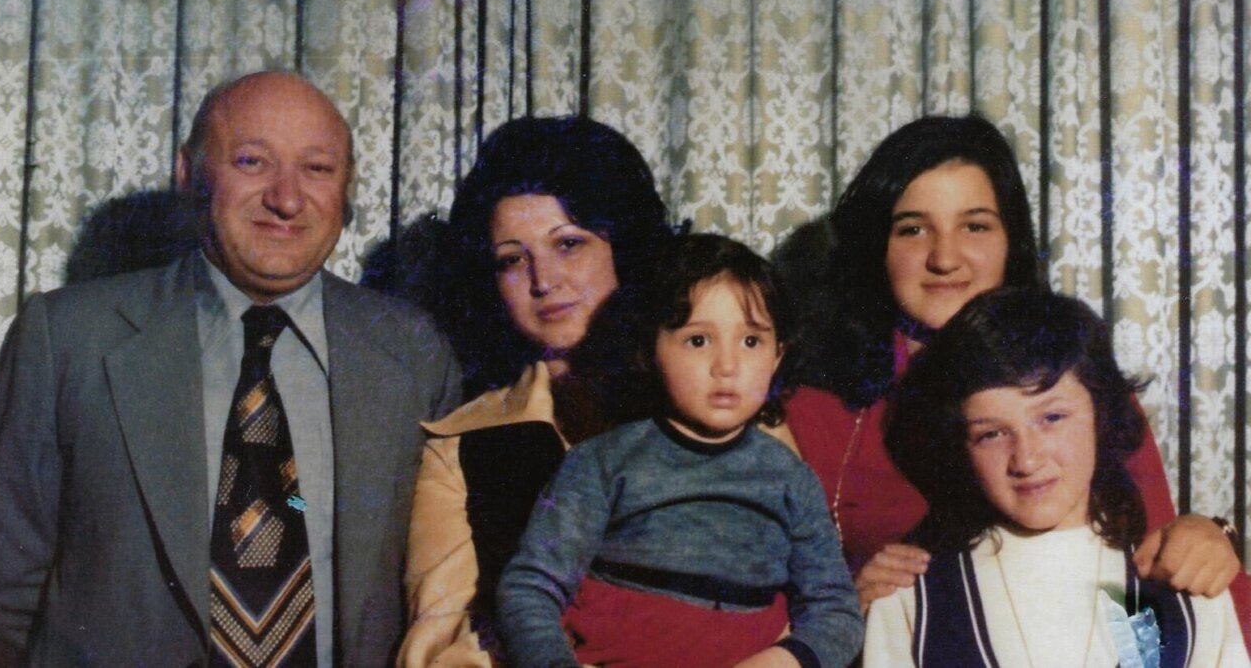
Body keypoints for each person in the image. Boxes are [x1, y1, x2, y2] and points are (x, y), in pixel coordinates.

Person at [0, 71, 461, 666]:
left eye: (317, 169)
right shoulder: (68, 339)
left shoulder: (413, 353)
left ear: (346, 189)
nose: (287, 199)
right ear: (189, 174)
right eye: (252, 162)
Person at [781, 114, 1242, 614]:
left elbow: (1153, 558)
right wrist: (848, 609)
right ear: (877, 247)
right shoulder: (810, 407)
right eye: (913, 229)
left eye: (975, 226)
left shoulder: (1078, 383)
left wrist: (1208, 535)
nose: (944, 258)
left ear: (1011, 241)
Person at [498, 233, 862, 668]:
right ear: (650, 351)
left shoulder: (790, 478)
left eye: (751, 341)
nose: (727, 366)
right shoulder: (601, 463)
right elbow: (531, 587)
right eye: (698, 340)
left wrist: (786, 660)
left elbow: (836, 611)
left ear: (777, 357)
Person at [397, 115, 675, 666]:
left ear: (625, 246)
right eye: (512, 259)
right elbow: (438, 645)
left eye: (569, 244)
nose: (543, 281)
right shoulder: (461, 446)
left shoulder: (715, 399)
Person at [864, 288, 1249, 666]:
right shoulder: (912, 599)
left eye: (1051, 418)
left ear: (1101, 414)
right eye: (991, 434)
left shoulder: (1187, 585)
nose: (1026, 460)